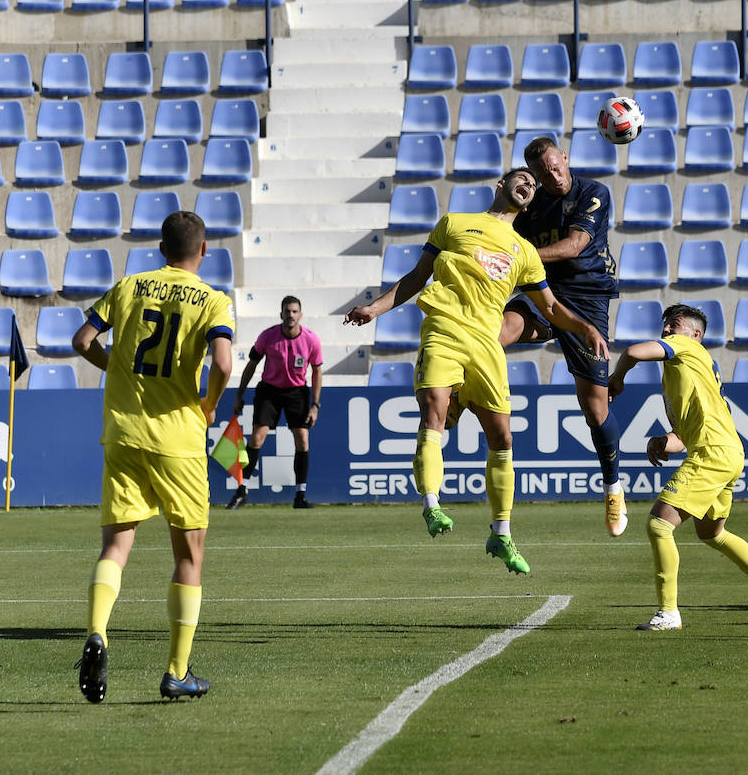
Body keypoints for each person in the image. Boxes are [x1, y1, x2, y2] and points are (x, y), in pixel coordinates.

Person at [344, 167, 608, 575]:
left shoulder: (523, 251)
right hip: (445, 330)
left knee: (502, 438)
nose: (530, 185)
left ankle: (501, 533)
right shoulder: (454, 223)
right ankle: (432, 506)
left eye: (534, 185)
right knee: (434, 412)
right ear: (500, 185)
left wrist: (585, 327)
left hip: (487, 343)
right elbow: (417, 277)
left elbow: (551, 308)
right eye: (523, 178)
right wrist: (373, 308)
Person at [72, 210, 235, 702]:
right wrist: (207, 405)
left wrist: (116, 366)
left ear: (160, 249)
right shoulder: (213, 300)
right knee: (189, 554)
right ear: (202, 251)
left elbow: (82, 341)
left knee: (115, 546)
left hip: (122, 433)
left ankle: (97, 632)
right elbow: (224, 363)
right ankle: (177, 671)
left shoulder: (128, 286)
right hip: (179, 440)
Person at [607, 303, 748, 631]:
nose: (666, 329)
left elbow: (634, 352)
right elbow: (683, 435)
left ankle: (669, 613)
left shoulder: (686, 348)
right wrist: (661, 442)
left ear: (695, 334)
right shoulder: (685, 370)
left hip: (712, 453)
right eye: (665, 324)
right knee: (712, 533)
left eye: (674, 324)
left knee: (659, 525)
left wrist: (617, 378)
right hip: (728, 452)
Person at [500, 137, 626, 537]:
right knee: (498, 330)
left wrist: (520, 258)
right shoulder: (529, 203)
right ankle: (458, 395)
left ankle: (613, 486)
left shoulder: (593, 192)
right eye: (544, 173)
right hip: (544, 292)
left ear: (566, 158)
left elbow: (574, 246)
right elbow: (498, 230)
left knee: (595, 409)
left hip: (588, 298)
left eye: (557, 167)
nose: (553, 177)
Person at [226, 295, 323, 510]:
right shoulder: (268, 336)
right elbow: (251, 364)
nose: (290, 315)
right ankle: (242, 491)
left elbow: (317, 371)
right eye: (287, 311)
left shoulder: (311, 339)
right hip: (269, 390)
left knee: (302, 438)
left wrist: (315, 405)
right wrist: (239, 394)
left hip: (297, 392)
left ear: (301, 314)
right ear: (281, 314)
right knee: (257, 438)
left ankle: (300, 495)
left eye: (294, 311)